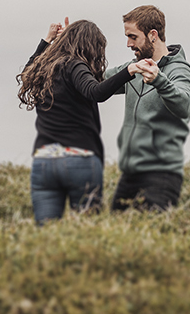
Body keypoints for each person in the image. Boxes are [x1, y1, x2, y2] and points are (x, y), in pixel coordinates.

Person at [16, 18, 148, 226]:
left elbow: (27, 72)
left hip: (45, 162)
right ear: (90, 47)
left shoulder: (43, 69)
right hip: (79, 159)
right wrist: (130, 71)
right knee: (86, 232)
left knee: (45, 235)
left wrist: (47, 40)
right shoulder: (75, 66)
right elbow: (95, 92)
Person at [104, 5, 190, 212]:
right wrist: (69, 45)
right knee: (115, 238)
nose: (128, 43)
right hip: (129, 176)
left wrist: (159, 81)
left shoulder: (179, 71)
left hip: (161, 176)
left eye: (133, 37)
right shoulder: (134, 68)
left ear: (153, 35)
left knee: (152, 241)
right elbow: (95, 80)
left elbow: (185, 105)